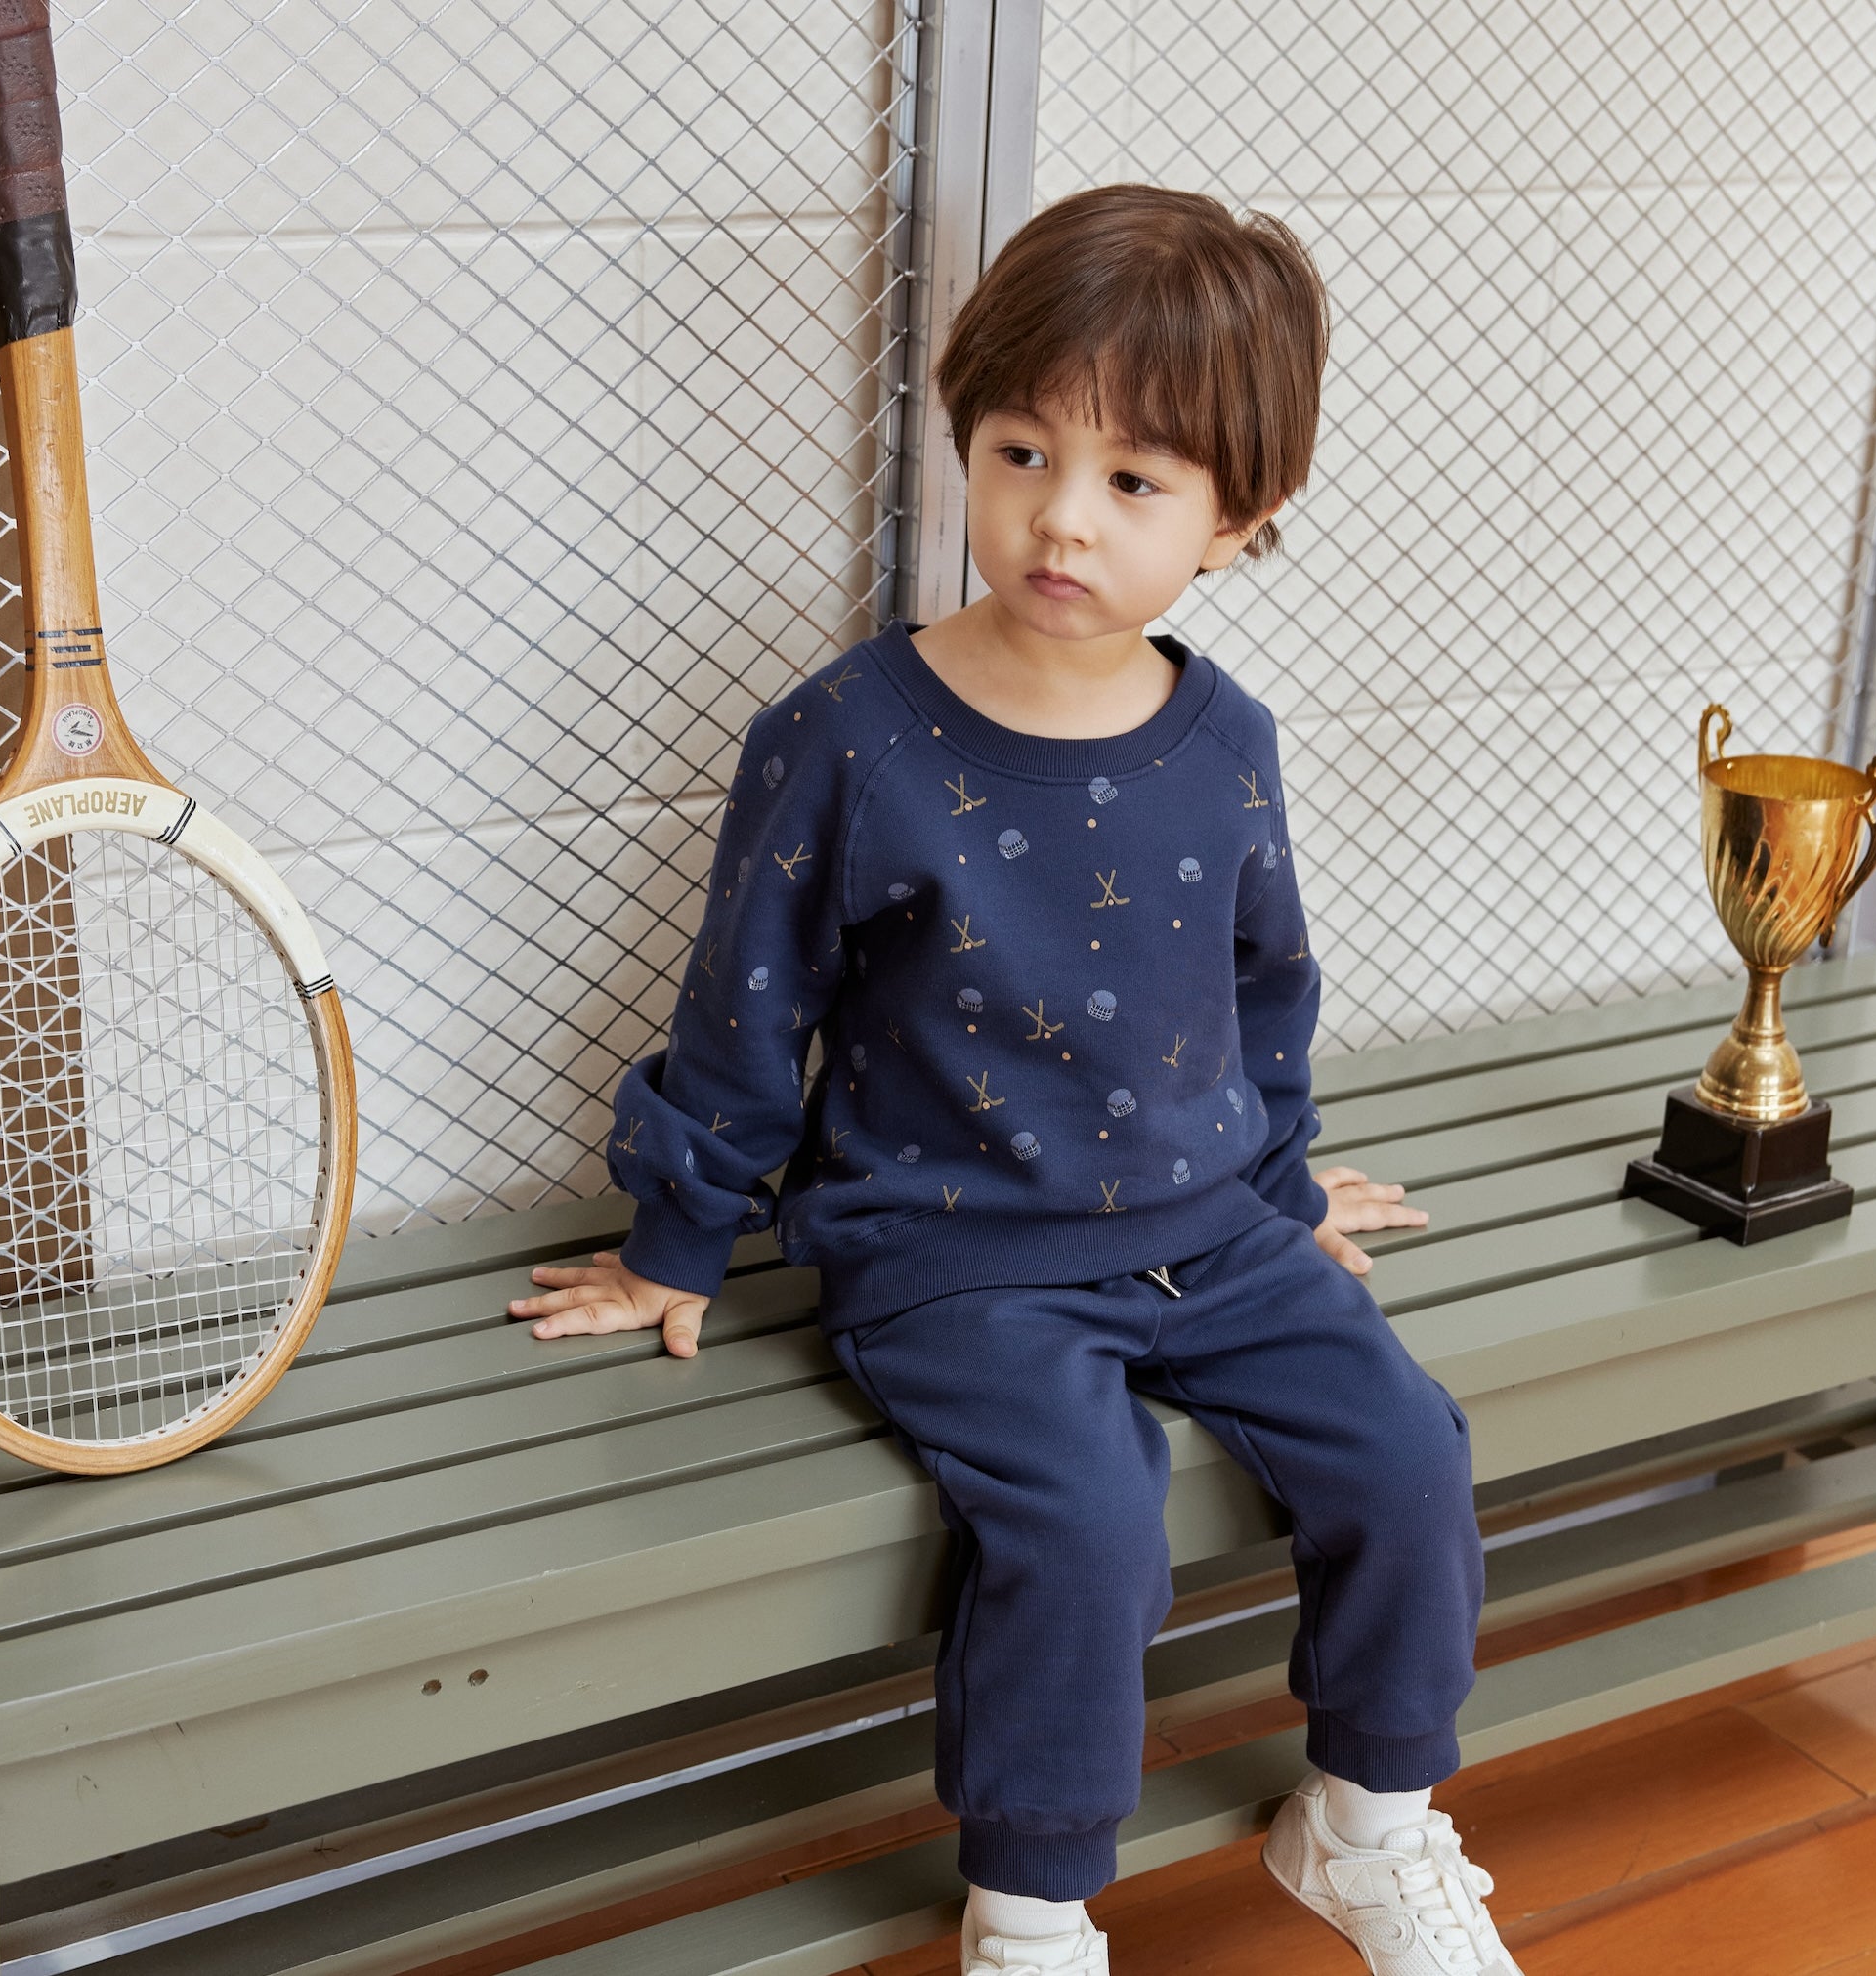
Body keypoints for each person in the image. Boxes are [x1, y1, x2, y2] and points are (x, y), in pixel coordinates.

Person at [511, 182, 1515, 1976]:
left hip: (1212, 1229)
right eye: (1022, 453)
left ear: (1237, 519)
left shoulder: (1228, 740)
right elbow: (745, 1001)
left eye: (1133, 481)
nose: (1060, 517)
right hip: (953, 1251)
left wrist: (1285, 1187)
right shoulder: (845, 736)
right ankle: (1033, 1912)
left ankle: (1368, 1824)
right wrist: (677, 1236)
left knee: (1407, 1447)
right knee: (1087, 1522)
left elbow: (1263, 991)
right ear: (965, 443)